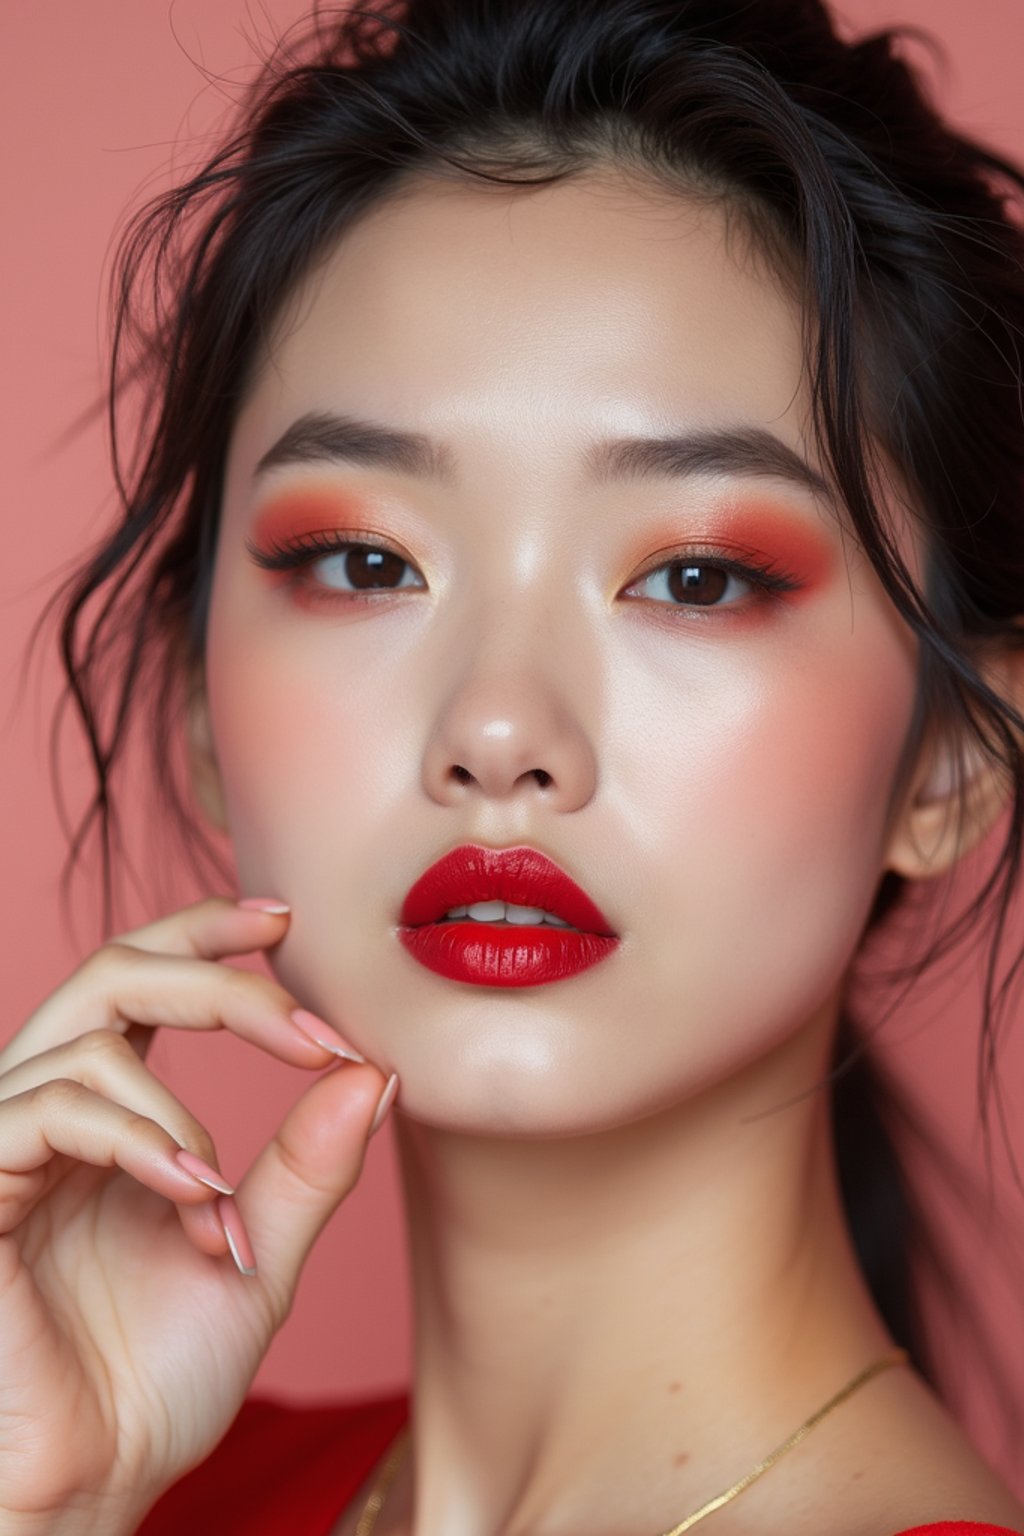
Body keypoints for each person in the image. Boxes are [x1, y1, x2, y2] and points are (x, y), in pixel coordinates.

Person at [4, 0, 1024, 1530]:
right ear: (204, 710)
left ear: (950, 760)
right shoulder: (136, 1476)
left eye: (693, 577)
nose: (496, 732)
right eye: (364, 560)